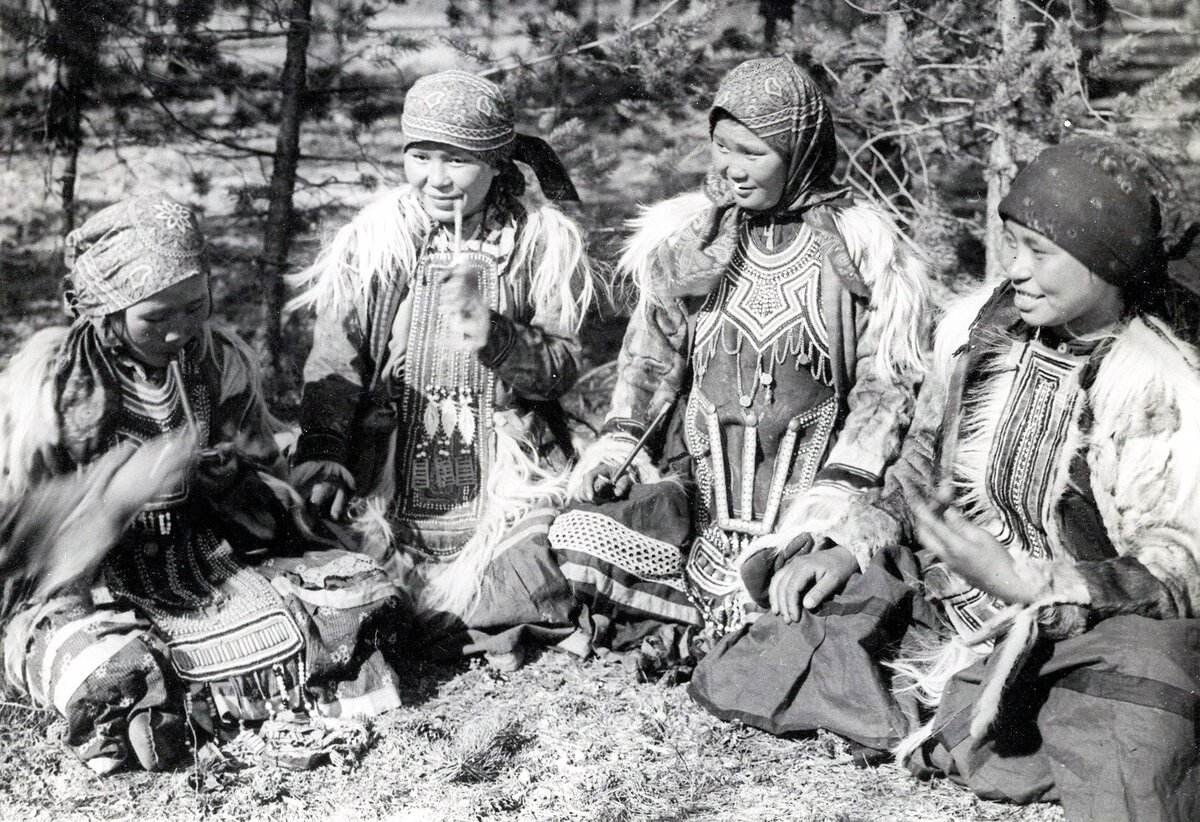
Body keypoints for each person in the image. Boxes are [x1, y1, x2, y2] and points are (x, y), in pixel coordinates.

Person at [723, 139, 1200, 818]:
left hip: (1081, 633)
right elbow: (921, 464)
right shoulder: (986, 331)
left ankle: (978, 716)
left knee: (1146, 693)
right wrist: (851, 545)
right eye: (1012, 245)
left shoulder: (1155, 383)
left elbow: (1178, 569)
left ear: (1108, 260)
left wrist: (1027, 587)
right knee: (786, 629)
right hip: (954, 607)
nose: (1017, 270)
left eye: (1041, 253)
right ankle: (961, 710)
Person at [0, 194, 406, 775]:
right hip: (94, 590)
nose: (179, 331)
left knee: (364, 591)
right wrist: (115, 493)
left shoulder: (218, 362)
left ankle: (175, 712)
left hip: (206, 568)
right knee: (99, 661)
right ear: (106, 312)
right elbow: (13, 537)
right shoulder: (52, 388)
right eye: (155, 318)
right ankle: (151, 702)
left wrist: (236, 482)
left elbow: (267, 486)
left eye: (194, 307)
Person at [550, 56, 929, 670]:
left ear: (800, 151)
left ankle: (753, 618)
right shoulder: (694, 241)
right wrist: (620, 447)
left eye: (753, 153)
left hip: (808, 501)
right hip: (699, 499)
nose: (730, 167)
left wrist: (840, 493)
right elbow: (650, 359)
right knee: (578, 533)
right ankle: (696, 615)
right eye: (721, 146)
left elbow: (885, 387)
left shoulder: (861, 253)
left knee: (832, 592)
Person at [288, 69, 596, 666]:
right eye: (421, 157)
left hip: (506, 470)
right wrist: (322, 449)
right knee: (327, 560)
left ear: (497, 160)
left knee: (538, 568)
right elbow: (337, 358)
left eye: (456, 161)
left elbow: (561, 368)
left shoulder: (541, 243)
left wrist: (498, 337)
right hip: (386, 466)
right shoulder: (380, 240)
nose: (435, 178)